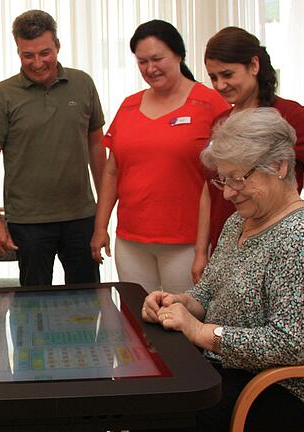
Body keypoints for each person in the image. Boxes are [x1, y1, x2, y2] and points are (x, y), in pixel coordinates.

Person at [142, 108, 304, 431]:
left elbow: (290, 344)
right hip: (242, 371)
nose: (227, 193)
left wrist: (199, 332)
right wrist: (182, 304)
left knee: (165, 412)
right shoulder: (240, 220)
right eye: (223, 179)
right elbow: (209, 290)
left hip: (297, 390)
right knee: (154, 393)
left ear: (280, 167)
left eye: (239, 179)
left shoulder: (299, 236)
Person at [191, 26, 304, 282]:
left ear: (254, 65)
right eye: (213, 77)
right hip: (226, 249)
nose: (220, 85)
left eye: (227, 74)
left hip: (271, 250)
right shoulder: (222, 121)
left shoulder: (286, 115)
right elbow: (210, 190)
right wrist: (200, 252)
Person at [90, 20, 229, 293]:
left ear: (178, 54)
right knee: (137, 320)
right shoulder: (129, 106)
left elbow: (228, 174)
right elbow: (112, 171)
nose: (150, 68)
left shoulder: (210, 103)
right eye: (142, 62)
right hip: (131, 241)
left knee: (182, 322)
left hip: (188, 242)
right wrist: (100, 226)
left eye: (157, 59)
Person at [0, 9, 106, 286]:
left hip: (81, 216)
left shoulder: (83, 84)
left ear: (57, 46)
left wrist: (103, 216)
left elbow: (98, 146)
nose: (37, 62)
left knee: (86, 303)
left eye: (45, 52)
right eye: (28, 55)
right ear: (18, 52)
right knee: (33, 310)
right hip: (28, 221)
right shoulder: (2, 95)